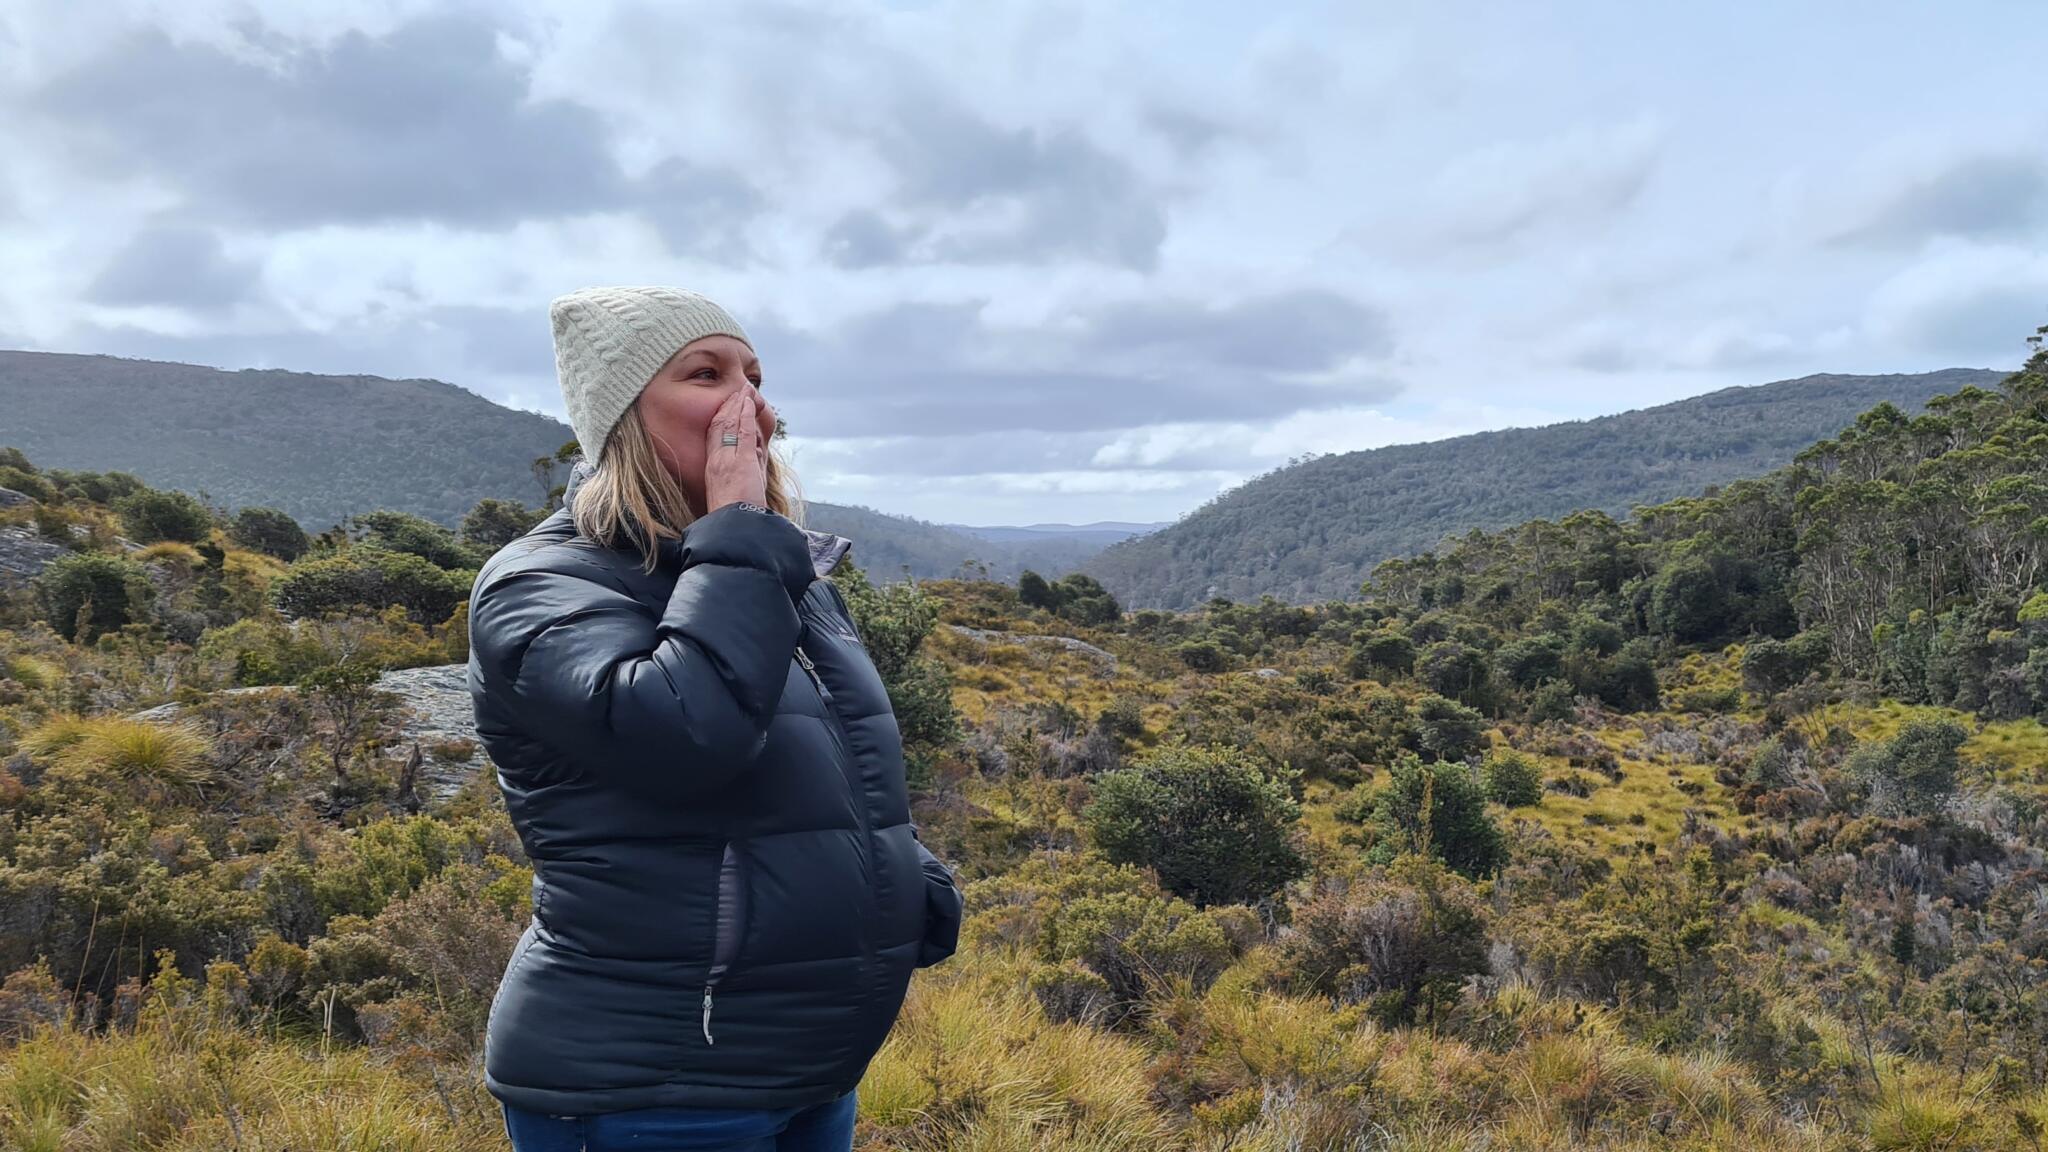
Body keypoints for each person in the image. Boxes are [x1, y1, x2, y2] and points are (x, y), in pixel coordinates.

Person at [465, 286, 963, 1151]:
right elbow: (687, 738)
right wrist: (739, 532)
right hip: (650, 1089)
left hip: (803, 1073)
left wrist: (903, 881)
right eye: (707, 376)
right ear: (623, 416)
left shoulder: (776, 576)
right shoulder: (542, 583)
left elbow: (840, 759)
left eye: (756, 380)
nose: (754, 411)